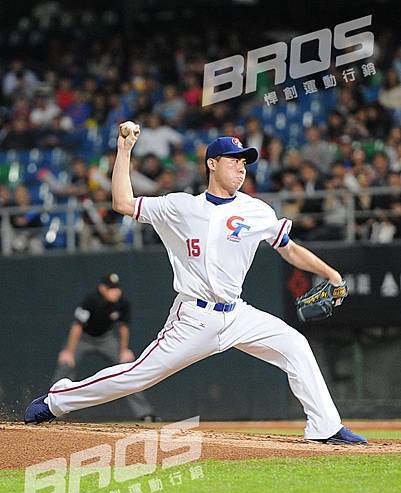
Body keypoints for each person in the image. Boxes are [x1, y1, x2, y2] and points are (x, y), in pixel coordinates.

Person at [24, 125, 367, 444]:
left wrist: (332, 274)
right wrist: (124, 150)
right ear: (212, 164)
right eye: (233, 160)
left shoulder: (257, 210)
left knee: (295, 345)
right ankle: (57, 400)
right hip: (194, 317)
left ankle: (325, 426)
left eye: (244, 162)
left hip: (237, 314)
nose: (241, 168)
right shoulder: (181, 206)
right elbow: (122, 203)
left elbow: (289, 249)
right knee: (139, 375)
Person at [50, 272, 155, 421]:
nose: (116, 292)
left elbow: (123, 328)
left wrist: (124, 350)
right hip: (83, 339)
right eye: (111, 288)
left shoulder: (122, 302)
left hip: (106, 339)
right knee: (66, 364)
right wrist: (68, 351)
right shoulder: (91, 300)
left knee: (128, 368)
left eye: (117, 288)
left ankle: (145, 414)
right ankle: (51, 409)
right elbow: (77, 327)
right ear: (102, 288)